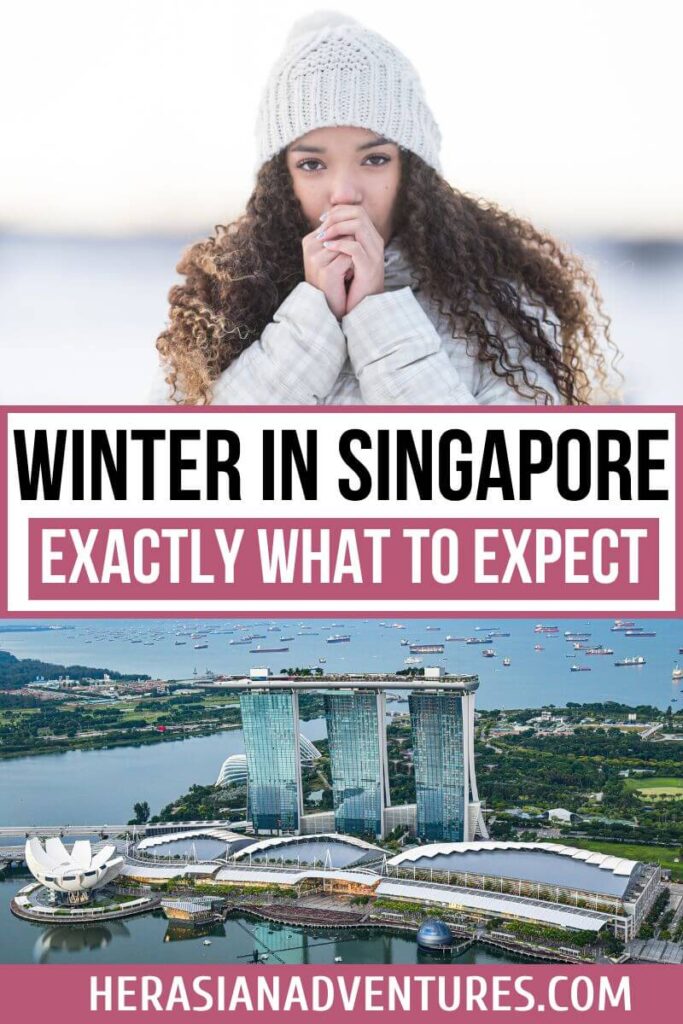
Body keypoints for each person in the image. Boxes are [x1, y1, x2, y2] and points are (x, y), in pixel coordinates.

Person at [154, 12, 618, 406]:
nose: (344, 192)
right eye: (312, 164)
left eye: (374, 160)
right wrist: (312, 317)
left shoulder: (497, 309)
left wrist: (376, 313)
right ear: (281, 180)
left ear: (411, 172)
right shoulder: (223, 306)